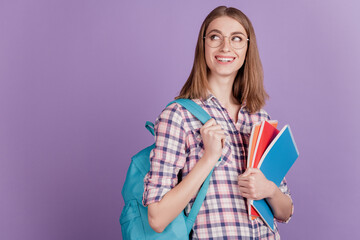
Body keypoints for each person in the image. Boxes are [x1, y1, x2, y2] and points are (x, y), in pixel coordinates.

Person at [142, 5, 293, 239]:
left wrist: (269, 190)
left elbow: (285, 211)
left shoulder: (258, 118)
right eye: (215, 37)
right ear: (203, 45)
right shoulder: (178, 116)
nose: (226, 47)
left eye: (236, 39)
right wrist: (209, 158)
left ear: (247, 49)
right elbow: (157, 218)